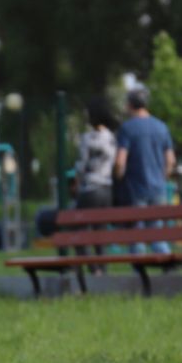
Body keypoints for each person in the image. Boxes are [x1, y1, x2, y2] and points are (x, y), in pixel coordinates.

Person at [114, 86, 175, 256]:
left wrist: (118, 178)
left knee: (137, 234)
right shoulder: (162, 127)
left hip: (135, 187)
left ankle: (138, 276)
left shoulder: (127, 128)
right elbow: (170, 160)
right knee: (157, 233)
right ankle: (166, 261)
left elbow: (120, 162)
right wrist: (162, 178)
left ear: (129, 105)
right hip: (158, 187)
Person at [71, 98, 117, 264]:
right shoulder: (111, 137)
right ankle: (101, 269)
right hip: (107, 190)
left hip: (90, 188)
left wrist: (76, 182)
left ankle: (91, 268)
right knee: (100, 231)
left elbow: (82, 165)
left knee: (78, 230)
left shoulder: (88, 138)